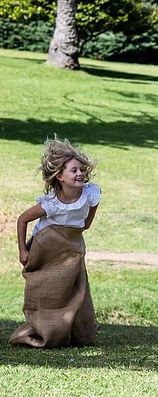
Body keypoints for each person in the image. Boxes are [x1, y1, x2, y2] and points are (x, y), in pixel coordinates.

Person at [10, 136, 101, 348]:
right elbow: (22, 219)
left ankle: (78, 331)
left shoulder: (90, 194)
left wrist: (76, 232)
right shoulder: (51, 204)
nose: (80, 174)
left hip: (70, 247)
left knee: (75, 288)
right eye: (74, 170)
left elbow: (86, 223)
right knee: (48, 290)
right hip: (45, 247)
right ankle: (43, 329)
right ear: (60, 176)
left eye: (81, 169)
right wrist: (23, 251)